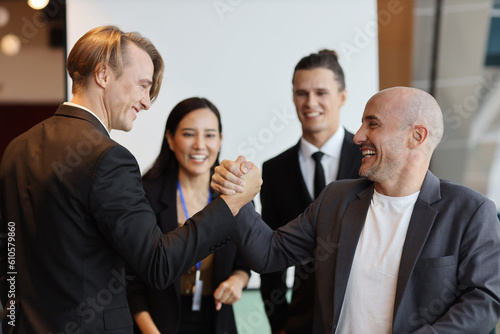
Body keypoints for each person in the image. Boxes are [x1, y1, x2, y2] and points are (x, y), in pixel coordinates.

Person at [0, 26, 259, 333]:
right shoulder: (109, 158)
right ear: (104, 75)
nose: (147, 102)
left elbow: (10, 258)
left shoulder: (16, 148)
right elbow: (159, 265)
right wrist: (231, 203)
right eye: (142, 85)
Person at [212, 87, 500, 333]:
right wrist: (238, 195)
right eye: (362, 124)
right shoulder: (336, 198)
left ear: (417, 136)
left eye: (372, 124)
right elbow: (268, 254)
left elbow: (485, 300)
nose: (358, 136)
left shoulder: (471, 212)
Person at [259, 49, 363, 334]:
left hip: (364, 317)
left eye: (321, 92)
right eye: (301, 93)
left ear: (342, 96)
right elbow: (271, 257)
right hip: (301, 322)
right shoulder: (275, 170)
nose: (310, 102)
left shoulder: (369, 159)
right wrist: (279, 325)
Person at [127, 97, 250, 334]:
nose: (200, 145)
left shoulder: (234, 196)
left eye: (210, 135)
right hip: (157, 324)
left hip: (217, 323)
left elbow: (243, 264)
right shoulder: (145, 194)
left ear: (221, 140)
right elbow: (130, 279)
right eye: (189, 134)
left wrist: (237, 281)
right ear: (171, 139)